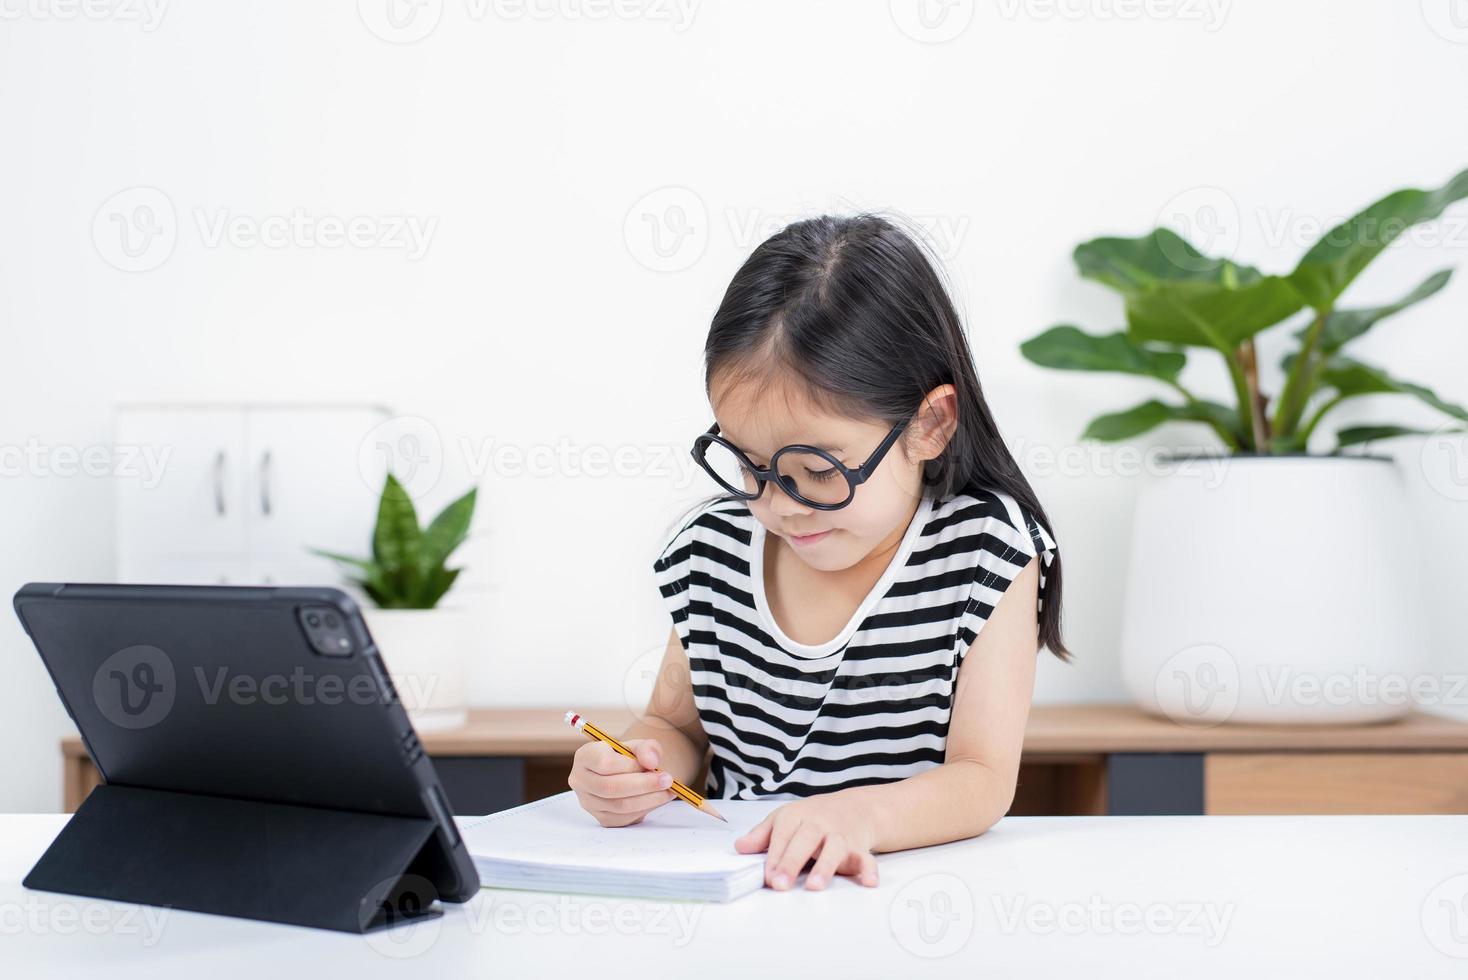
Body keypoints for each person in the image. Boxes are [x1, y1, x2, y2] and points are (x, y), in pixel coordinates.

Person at [569, 214, 1067, 892]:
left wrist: (858, 816)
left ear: (930, 424)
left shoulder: (983, 553)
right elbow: (676, 724)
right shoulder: (711, 555)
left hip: (897, 895)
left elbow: (981, 780)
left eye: (819, 470)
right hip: (738, 888)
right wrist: (639, 765)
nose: (782, 505)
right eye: (750, 467)